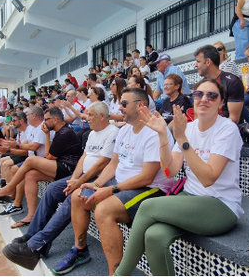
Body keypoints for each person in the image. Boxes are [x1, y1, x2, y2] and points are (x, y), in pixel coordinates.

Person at [114, 79, 245, 276]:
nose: (204, 99)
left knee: (147, 206)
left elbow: (208, 178)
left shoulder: (227, 129)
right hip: (189, 198)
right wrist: (162, 135)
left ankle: (120, 275)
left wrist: (182, 138)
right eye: (199, 94)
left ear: (221, 102)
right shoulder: (189, 128)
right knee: (154, 235)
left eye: (212, 95)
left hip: (221, 205)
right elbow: (170, 171)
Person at [59, 88, 172, 275]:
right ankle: (80, 250)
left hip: (151, 189)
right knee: (79, 196)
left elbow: (147, 177)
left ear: (140, 105)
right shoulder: (125, 130)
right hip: (123, 185)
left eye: (124, 103)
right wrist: (96, 184)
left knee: (104, 210)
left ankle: (115, 273)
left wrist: (111, 190)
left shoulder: (153, 132)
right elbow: (114, 163)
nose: (120, 107)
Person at [1, 102, 118, 271]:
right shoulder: (92, 133)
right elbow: (83, 159)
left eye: (91, 115)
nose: (86, 117)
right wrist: (75, 179)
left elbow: (102, 164)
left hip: (99, 179)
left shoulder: (113, 132)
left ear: (101, 116)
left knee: (71, 199)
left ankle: (36, 245)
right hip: (82, 176)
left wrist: (79, 182)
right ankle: (32, 234)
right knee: (52, 189)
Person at [0, 108, 82, 228]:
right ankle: (31, 216)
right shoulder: (60, 131)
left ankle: (9, 188)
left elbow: (49, 156)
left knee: (30, 160)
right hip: (60, 165)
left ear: (55, 119)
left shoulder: (64, 132)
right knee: (30, 175)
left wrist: (46, 135)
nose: (45, 122)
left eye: (47, 119)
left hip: (68, 168)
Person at [194, 45, 246, 123]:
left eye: (198, 61)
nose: (195, 65)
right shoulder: (200, 85)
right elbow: (197, 116)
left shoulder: (232, 82)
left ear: (208, 62)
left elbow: (234, 119)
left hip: (227, 131)